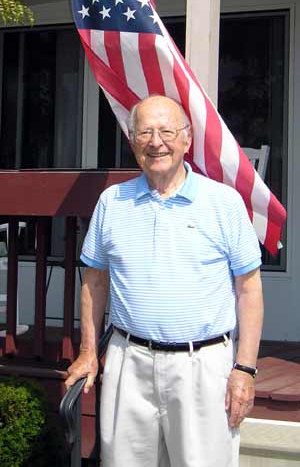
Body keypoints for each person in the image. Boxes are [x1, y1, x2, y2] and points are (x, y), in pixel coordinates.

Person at [65, 95, 264, 467]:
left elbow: (249, 289)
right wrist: (90, 352)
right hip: (129, 361)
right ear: (132, 142)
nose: (156, 142)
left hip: (202, 367)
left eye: (167, 131)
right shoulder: (112, 202)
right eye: (145, 133)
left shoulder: (224, 202)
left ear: (187, 140)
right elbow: (94, 282)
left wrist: (245, 368)